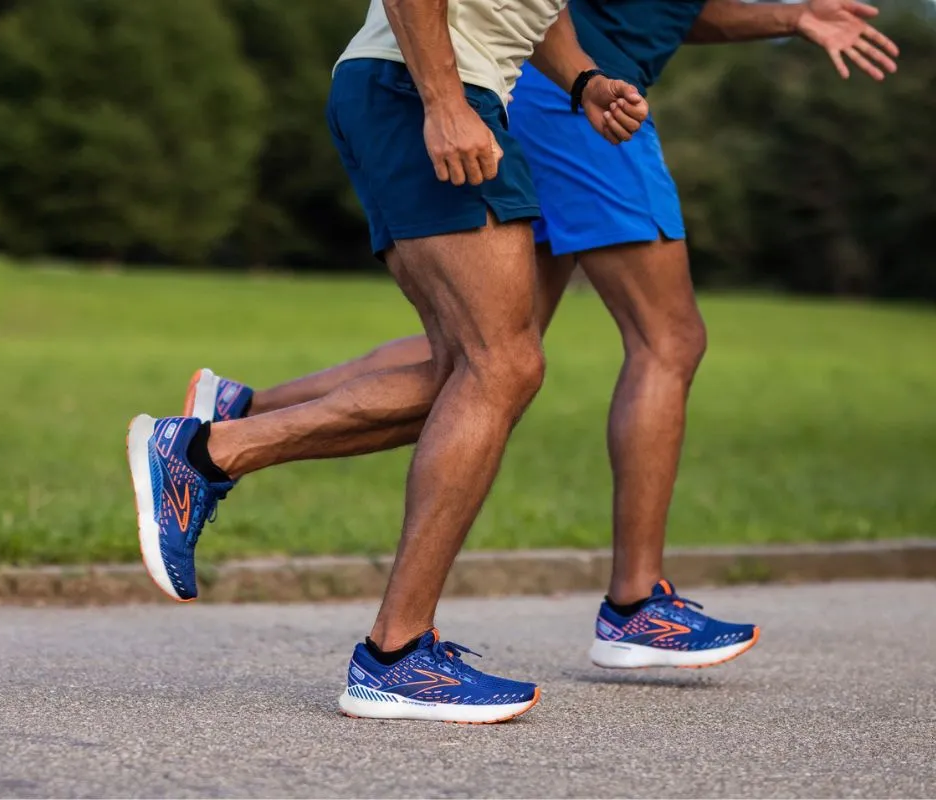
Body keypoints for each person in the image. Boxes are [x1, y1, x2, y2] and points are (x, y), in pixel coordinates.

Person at [182, 0, 898, 679]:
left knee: (484, 354)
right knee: (656, 339)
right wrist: (452, 102)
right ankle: (630, 602)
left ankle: (237, 420)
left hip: (548, 88)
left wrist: (788, 18)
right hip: (528, 101)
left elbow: (647, 11)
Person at [127, 0, 654, 723]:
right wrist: (443, 102)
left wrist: (583, 80)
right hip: (427, 88)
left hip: (409, 88)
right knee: (503, 366)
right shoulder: (438, 92)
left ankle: (215, 444)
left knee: (464, 372)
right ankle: (393, 651)